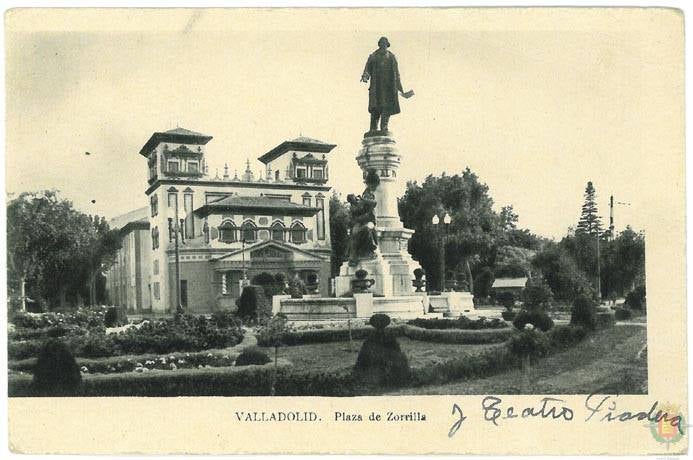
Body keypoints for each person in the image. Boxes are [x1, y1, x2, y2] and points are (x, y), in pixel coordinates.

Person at [361, 37, 412, 134]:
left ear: (387, 45)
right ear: (379, 44)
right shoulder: (373, 56)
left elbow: (397, 74)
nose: (383, 45)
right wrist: (365, 77)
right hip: (377, 87)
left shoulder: (391, 57)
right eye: (381, 43)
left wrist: (400, 89)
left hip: (388, 88)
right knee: (375, 108)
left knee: (386, 107)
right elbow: (367, 68)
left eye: (385, 43)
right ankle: (373, 128)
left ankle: (384, 127)